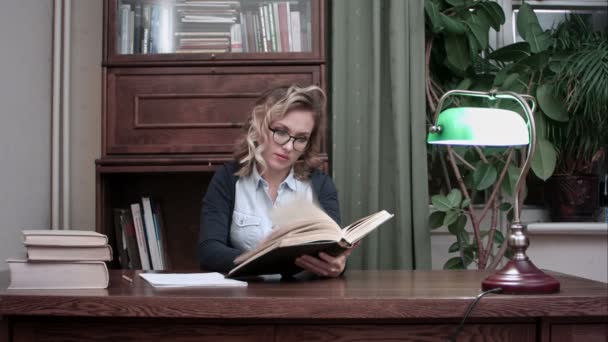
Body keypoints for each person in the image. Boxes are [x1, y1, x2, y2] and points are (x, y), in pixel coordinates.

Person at [198, 85, 352, 277]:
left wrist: (338, 265)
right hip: (246, 298)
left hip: (305, 299)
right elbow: (209, 252)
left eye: (301, 138)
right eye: (280, 132)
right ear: (260, 126)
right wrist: (267, 261)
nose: (289, 146)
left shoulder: (321, 185)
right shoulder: (228, 179)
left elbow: (332, 249)